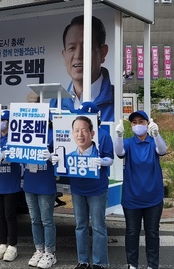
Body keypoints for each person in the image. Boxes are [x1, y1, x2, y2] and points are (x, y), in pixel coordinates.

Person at [114, 111, 167, 269]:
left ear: (148, 124)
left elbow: (162, 150)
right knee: (131, 232)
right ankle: (132, 265)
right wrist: (119, 136)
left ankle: (152, 265)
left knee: (152, 233)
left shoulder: (153, 142)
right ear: (131, 126)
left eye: (141, 122)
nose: (138, 125)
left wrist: (156, 134)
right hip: (132, 197)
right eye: (134, 122)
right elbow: (119, 153)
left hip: (154, 197)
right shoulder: (129, 143)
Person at [68, 109, 114, 269]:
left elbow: (111, 158)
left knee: (98, 226)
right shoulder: (69, 148)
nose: (80, 134)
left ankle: (100, 263)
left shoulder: (103, 135)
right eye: (76, 130)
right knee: (80, 225)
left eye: (84, 130)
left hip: (97, 189)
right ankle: (83, 261)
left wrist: (102, 161)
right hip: (77, 188)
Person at [51, 15, 113, 123]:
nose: (78, 55)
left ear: (102, 53)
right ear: (64, 55)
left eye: (86, 47)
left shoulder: (117, 102)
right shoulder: (55, 104)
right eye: (71, 48)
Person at [23, 122, 58, 269]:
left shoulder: (52, 133)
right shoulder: (24, 132)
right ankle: (39, 250)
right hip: (30, 182)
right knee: (34, 219)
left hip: (46, 183)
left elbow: (61, 154)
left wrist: (51, 157)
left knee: (46, 220)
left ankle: (50, 253)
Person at [0, 110, 22, 262]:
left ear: (9, 122)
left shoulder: (15, 138)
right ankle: (2, 243)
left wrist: (6, 154)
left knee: (10, 215)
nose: (1, 122)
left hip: (11, 184)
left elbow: (20, 154)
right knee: (0, 215)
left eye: (3, 119)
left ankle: (12, 246)